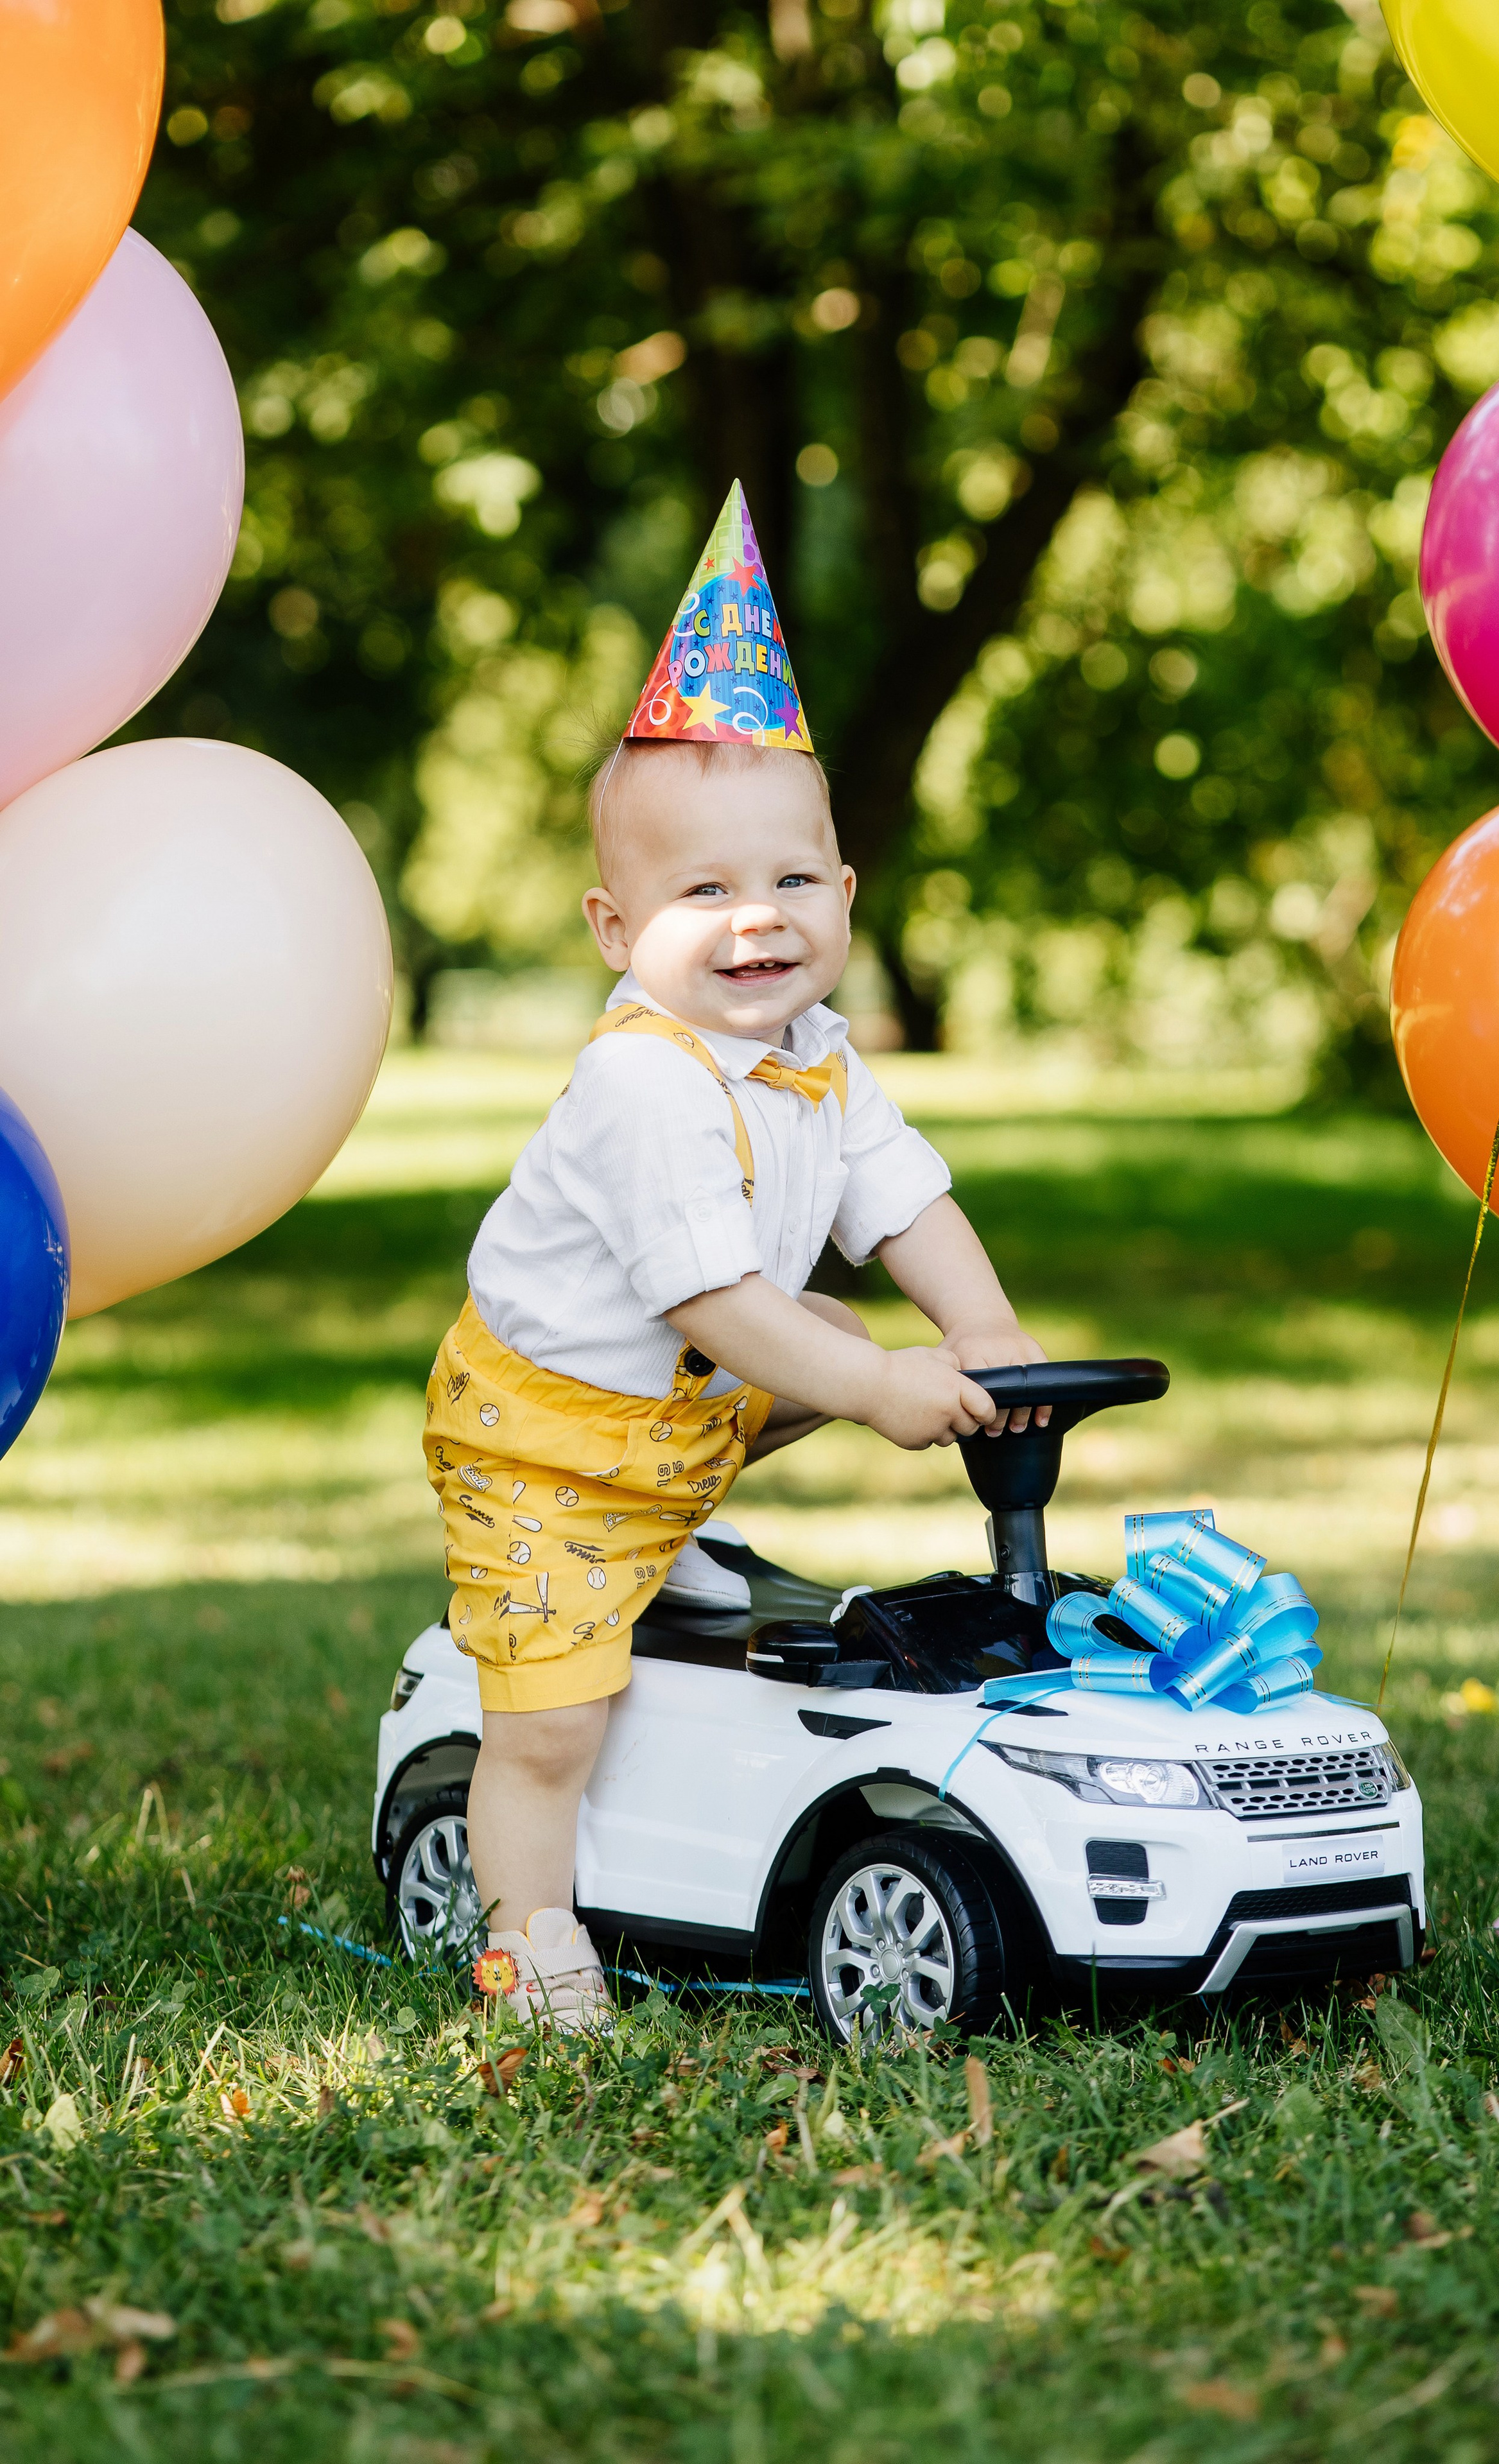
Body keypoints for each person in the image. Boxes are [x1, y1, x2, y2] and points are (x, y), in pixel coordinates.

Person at [426, 482, 1047, 2034]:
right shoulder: (642, 1079)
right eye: (699, 891)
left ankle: (663, 1535)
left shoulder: (822, 1055)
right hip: (551, 1441)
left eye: (784, 881)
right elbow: (714, 1299)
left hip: (678, 1414)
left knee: (833, 1314)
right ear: (610, 924)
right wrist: (890, 1389)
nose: (751, 920)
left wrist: (982, 1330)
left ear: (842, 896)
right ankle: (530, 1930)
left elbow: (902, 1198)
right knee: (559, 1714)